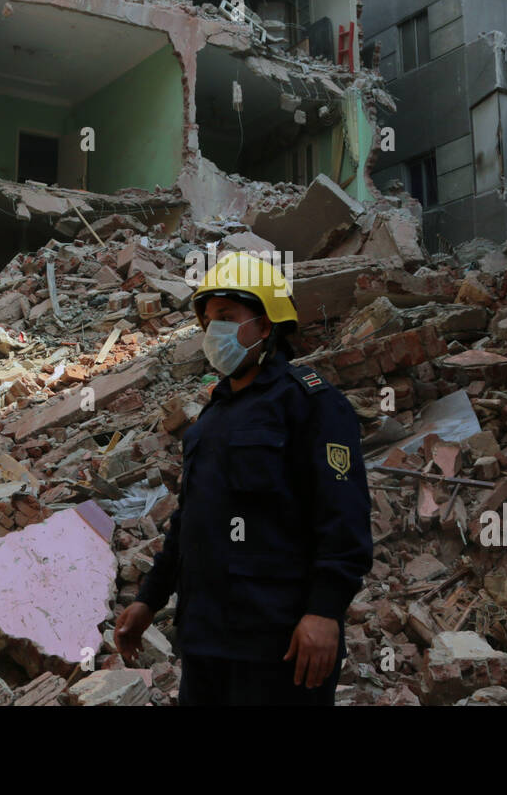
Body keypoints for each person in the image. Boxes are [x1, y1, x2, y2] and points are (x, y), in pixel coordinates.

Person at [113, 252, 372, 705]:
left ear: (265, 326)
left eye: (228, 317)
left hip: (278, 647)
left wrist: (324, 612)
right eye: (209, 320)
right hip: (207, 645)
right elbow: (191, 519)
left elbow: (344, 516)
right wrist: (149, 600)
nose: (215, 331)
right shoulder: (213, 415)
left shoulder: (311, 403)